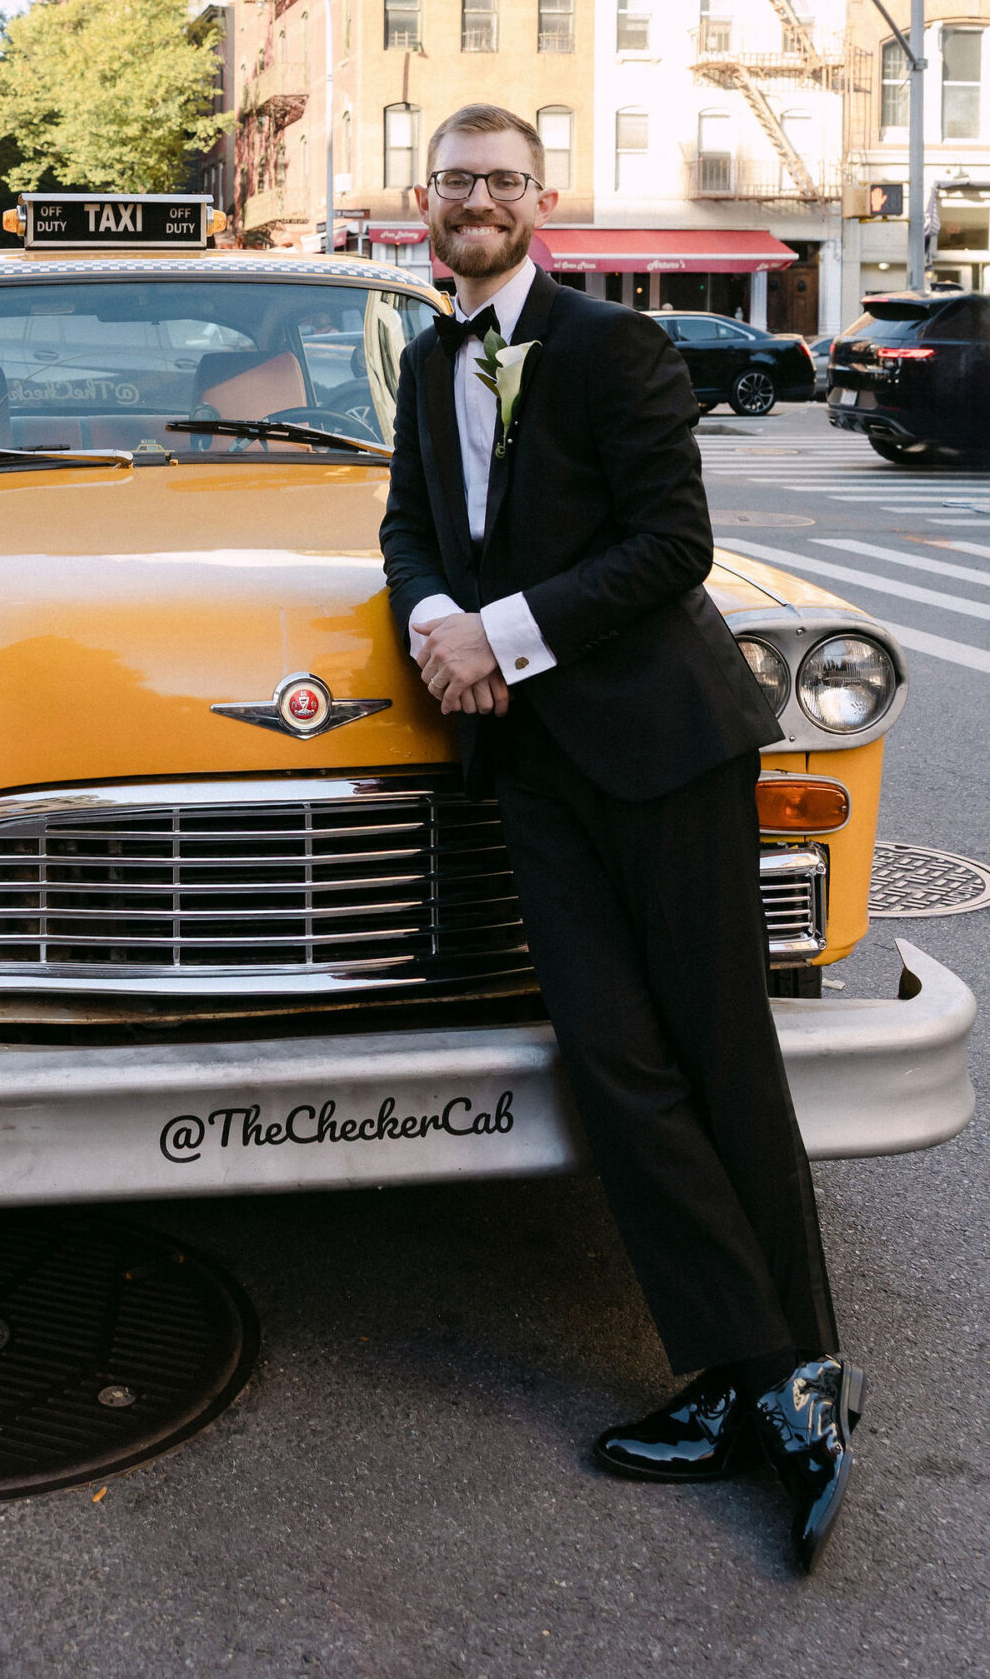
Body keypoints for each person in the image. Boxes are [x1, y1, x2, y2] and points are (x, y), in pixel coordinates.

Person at [380, 102, 860, 1575]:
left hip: (661, 749)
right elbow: (411, 525)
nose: (477, 201)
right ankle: (736, 1373)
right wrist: (428, 626)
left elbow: (671, 547)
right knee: (612, 1063)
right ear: (425, 197)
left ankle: (798, 1376)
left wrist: (499, 637)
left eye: (501, 182)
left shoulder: (613, 347)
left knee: (715, 1049)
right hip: (529, 768)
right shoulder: (422, 356)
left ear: (539, 198)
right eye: (456, 181)